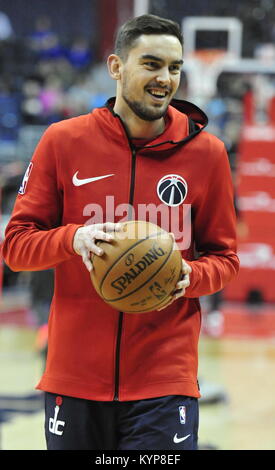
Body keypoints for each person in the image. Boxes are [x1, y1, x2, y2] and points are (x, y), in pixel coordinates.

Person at [1, 14, 239, 451]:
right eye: (150, 64)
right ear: (116, 66)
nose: (164, 79)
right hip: (73, 376)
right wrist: (72, 238)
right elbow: (15, 248)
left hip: (165, 380)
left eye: (174, 67)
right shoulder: (62, 141)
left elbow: (225, 259)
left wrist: (191, 278)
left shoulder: (208, 154)